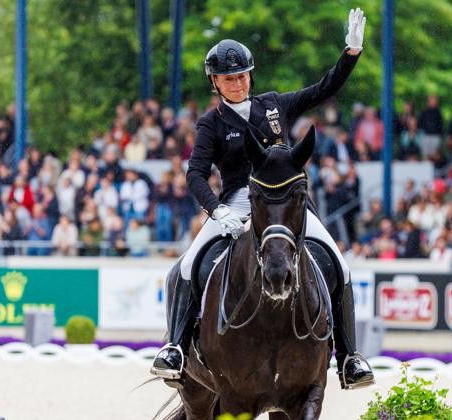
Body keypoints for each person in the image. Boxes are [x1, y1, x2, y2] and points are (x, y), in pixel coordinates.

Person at [152, 8, 374, 390]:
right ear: (215, 82)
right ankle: (174, 347)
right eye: (228, 79)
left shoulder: (275, 104)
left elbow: (323, 89)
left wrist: (350, 54)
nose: (237, 84)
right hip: (239, 199)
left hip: (286, 200)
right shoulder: (211, 123)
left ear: (249, 75)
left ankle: (349, 357)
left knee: (341, 266)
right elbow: (195, 172)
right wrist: (216, 210)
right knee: (188, 266)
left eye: (241, 76)